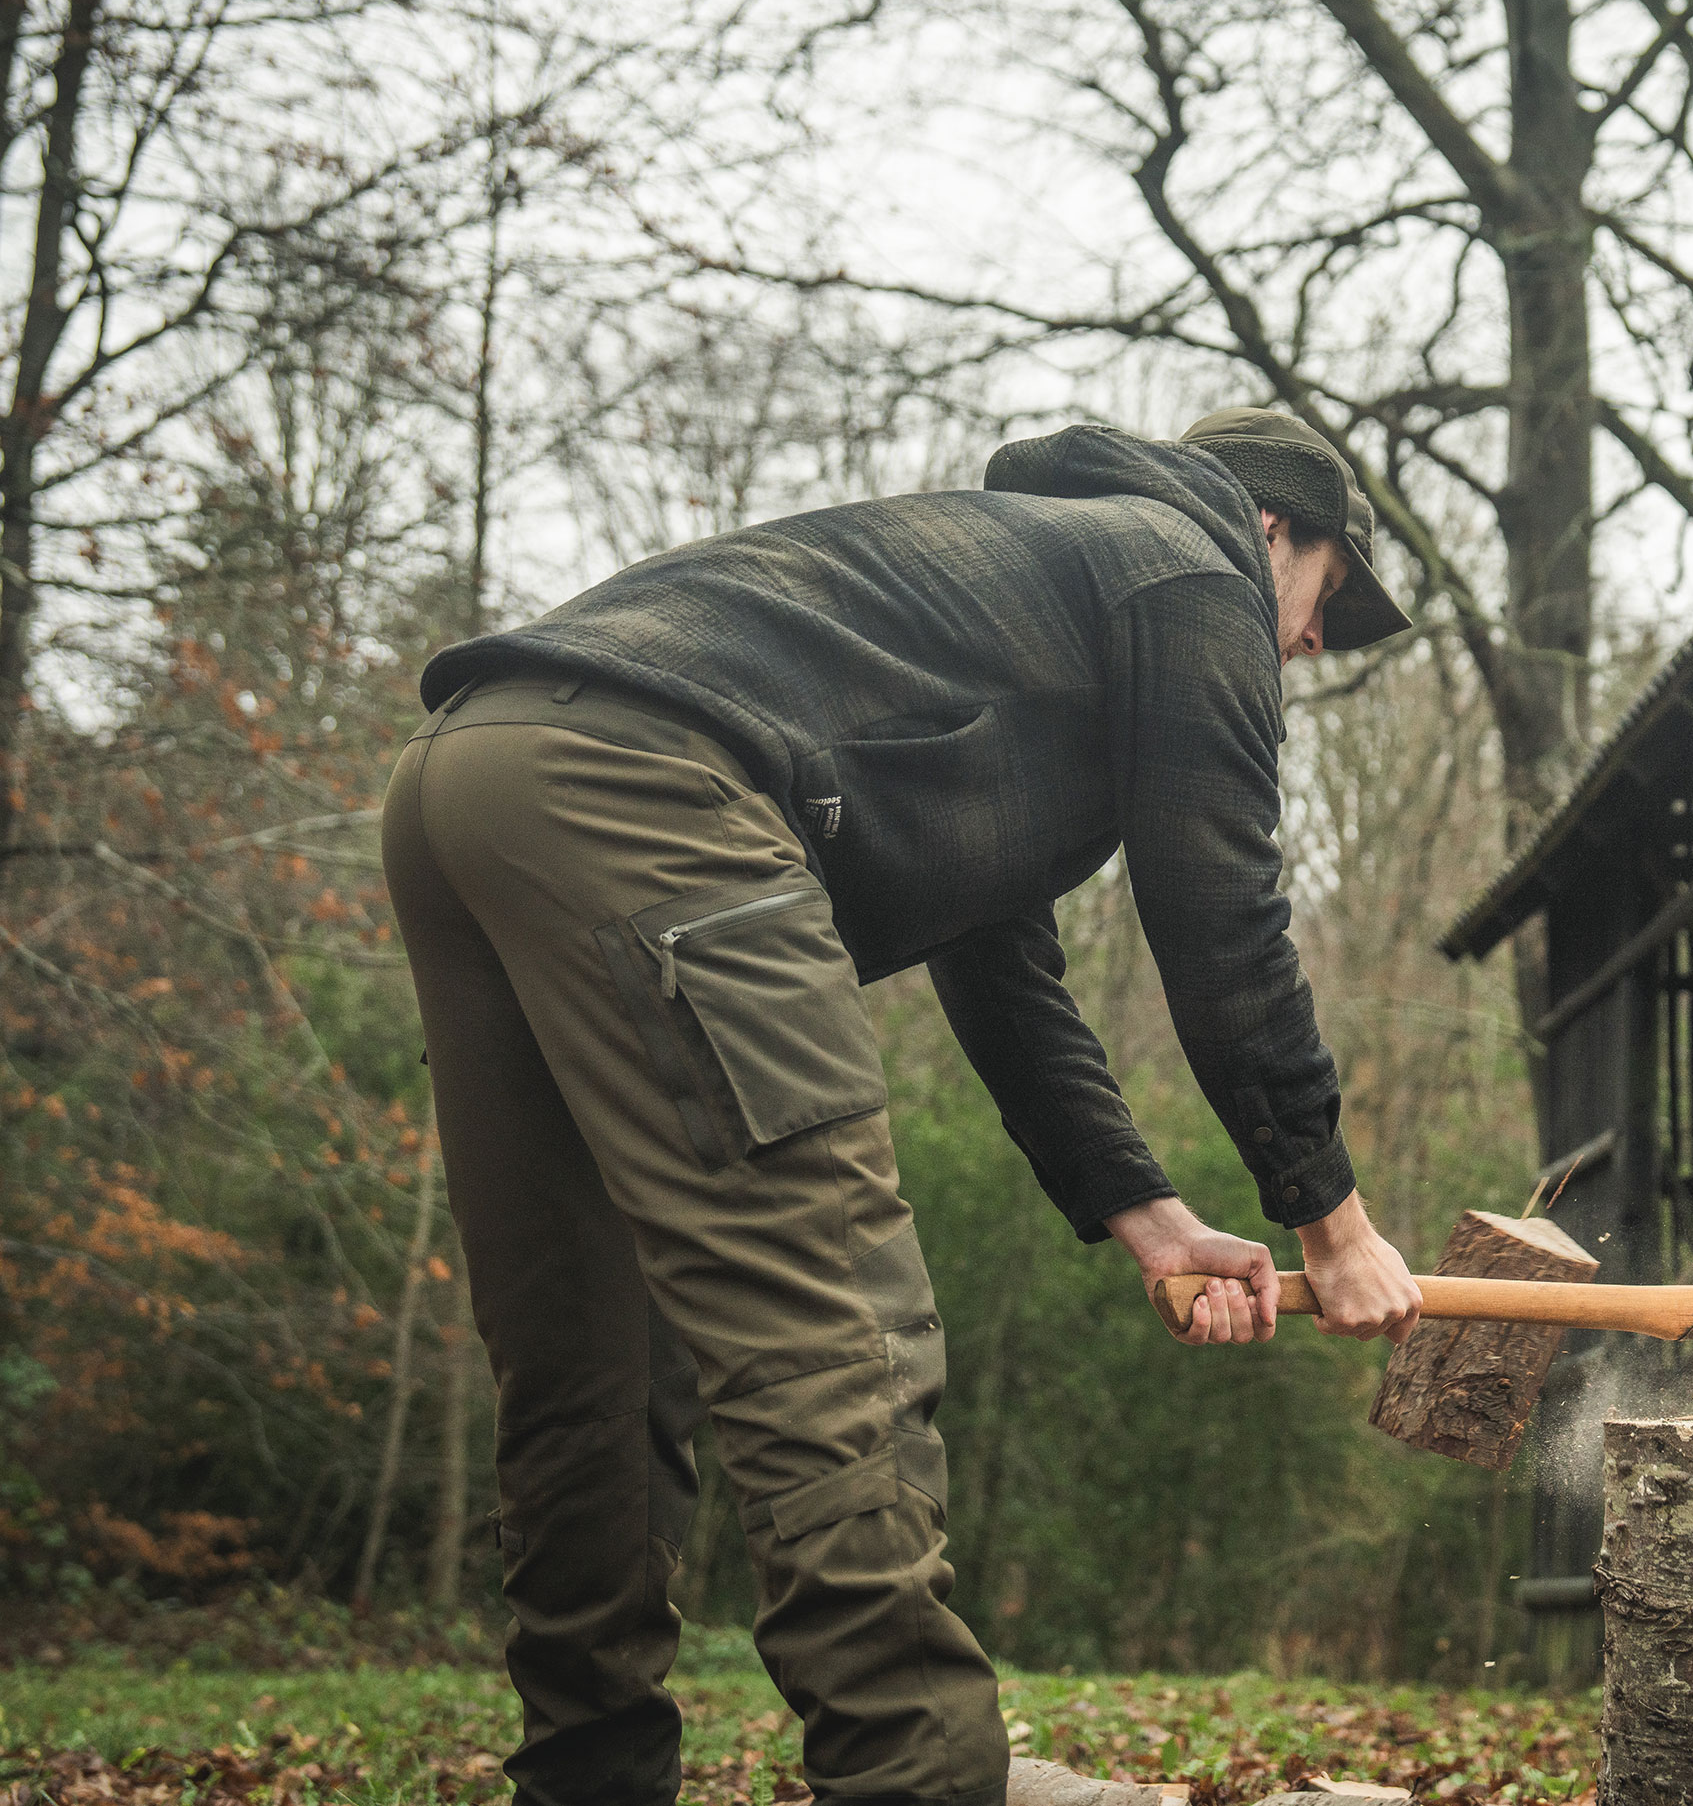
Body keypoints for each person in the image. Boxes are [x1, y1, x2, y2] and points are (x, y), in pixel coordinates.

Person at [381, 405, 1425, 1806]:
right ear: (1272, 528)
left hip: (466, 774)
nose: (1311, 643)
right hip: (655, 793)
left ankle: (587, 1783)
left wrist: (1151, 1215)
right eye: (1328, 599)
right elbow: (1221, 914)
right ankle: (917, 1782)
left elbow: (1002, 971)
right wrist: (1329, 1220)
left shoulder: (1025, 594)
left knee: (591, 1351)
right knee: (836, 1338)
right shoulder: (1189, 570)